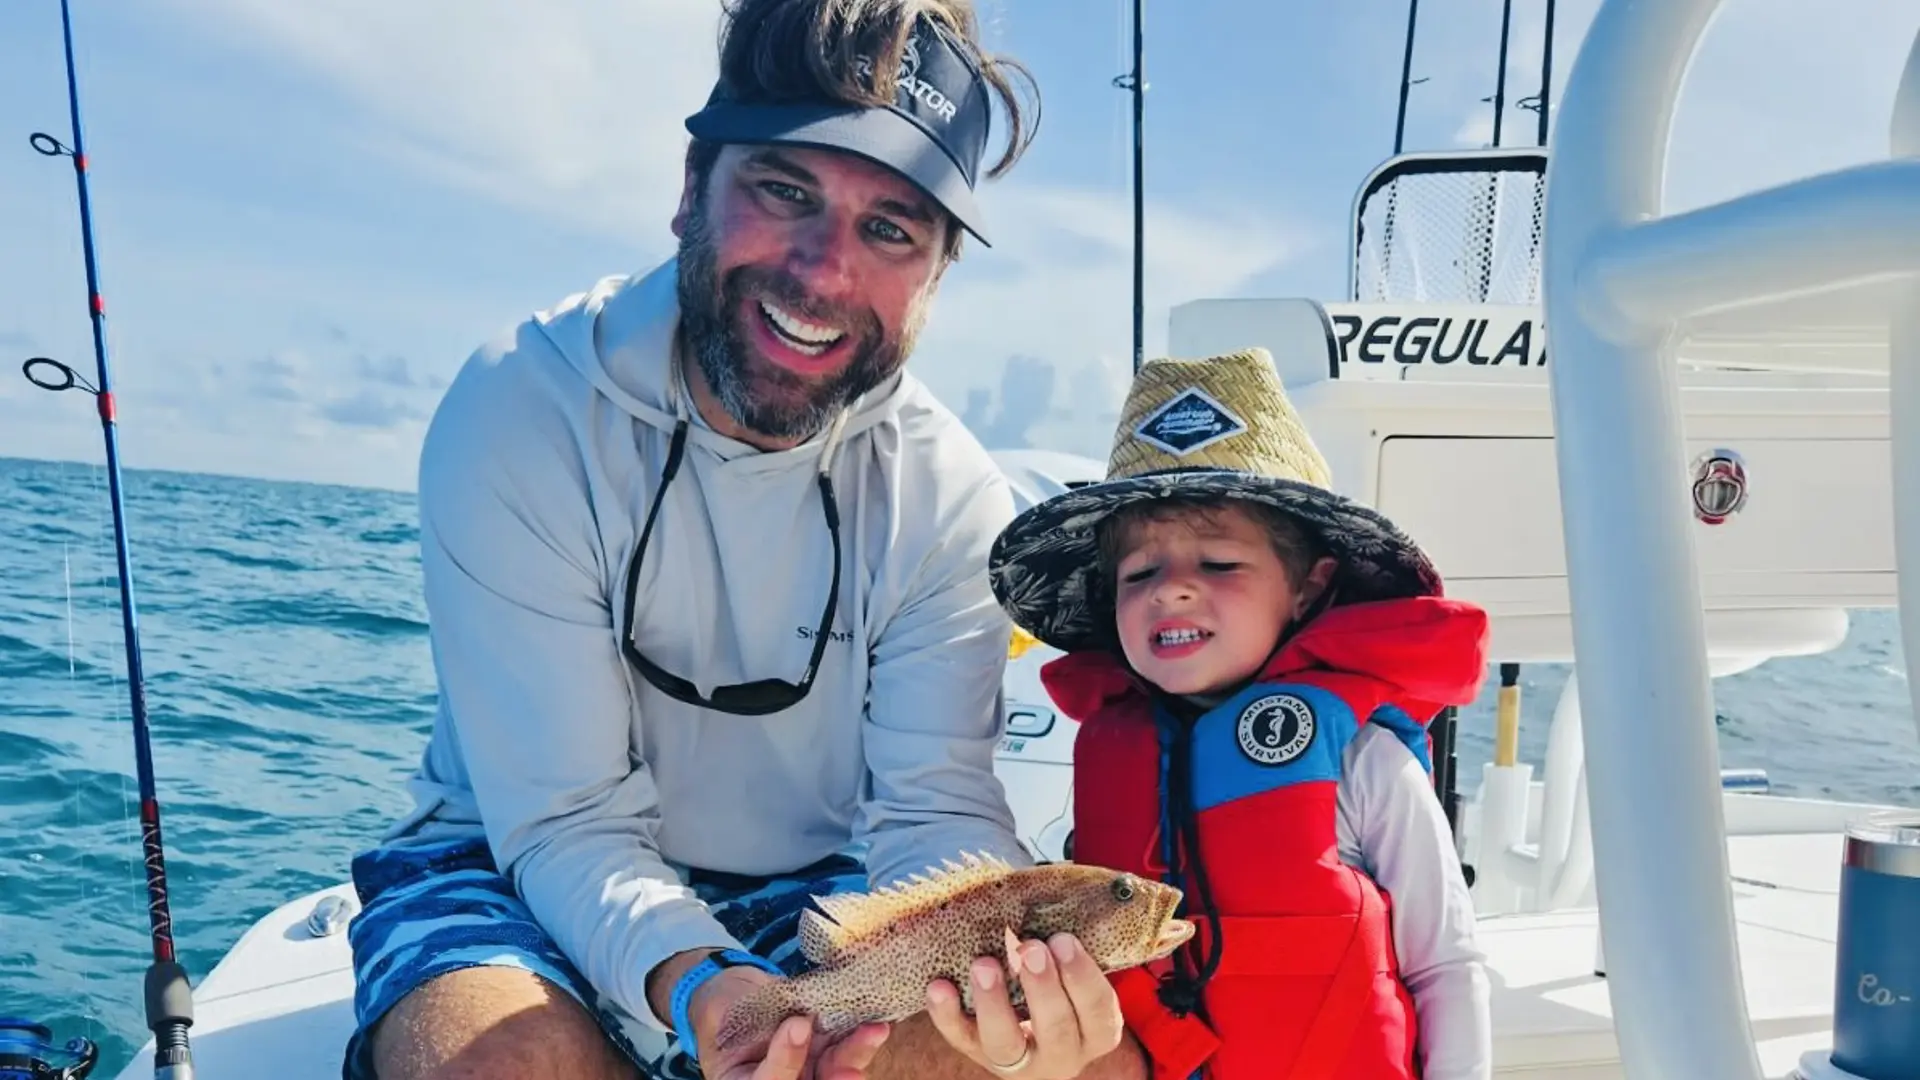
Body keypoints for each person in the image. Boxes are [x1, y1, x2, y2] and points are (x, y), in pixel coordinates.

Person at [339, 2, 1150, 1079]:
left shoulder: (950, 492)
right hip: (501, 858)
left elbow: (932, 812)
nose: (821, 274)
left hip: (808, 892)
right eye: (785, 190)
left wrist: (1000, 993)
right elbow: (564, 819)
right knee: (509, 1063)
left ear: (939, 275)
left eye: (891, 229)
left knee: (1070, 1068)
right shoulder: (521, 409)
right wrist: (700, 983)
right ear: (691, 192)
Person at [986, 348, 1496, 1079]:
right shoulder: (1108, 753)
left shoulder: (1364, 764)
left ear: (1309, 588)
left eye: (1220, 564)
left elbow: (1446, 964)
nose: (1174, 592)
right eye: (1140, 573)